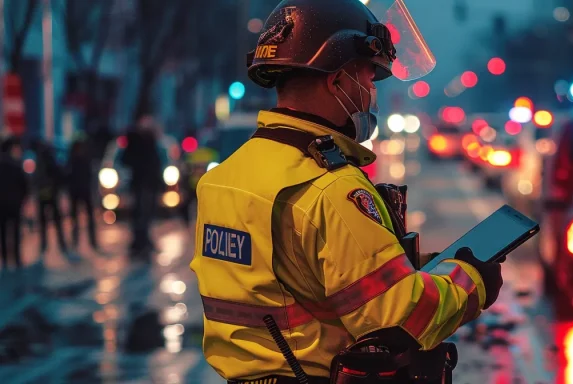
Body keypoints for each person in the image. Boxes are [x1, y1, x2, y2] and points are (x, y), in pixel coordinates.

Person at [189, 1, 504, 383]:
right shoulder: (330, 188)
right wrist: (470, 279)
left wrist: (406, 266)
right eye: (370, 78)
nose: (372, 92)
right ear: (337, 79)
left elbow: (297, 281)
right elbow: (403, 316)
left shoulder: (226, 177)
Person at [121, 117, 163, 255]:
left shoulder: (145, 142)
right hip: (143, 184)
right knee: (141, 214)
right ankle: (140, 242)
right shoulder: (141, 142)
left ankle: (141, 242)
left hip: (145, 184)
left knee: (144, 214)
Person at [34, 142, 69, 256]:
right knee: (56, 221)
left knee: (44, 222)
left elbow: (35, 180)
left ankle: (44, 245)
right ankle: (61, 244)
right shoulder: (51, 162)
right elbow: (60, 176)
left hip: (43, 195)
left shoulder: (39, 162)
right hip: (51, 194)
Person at [0, 138, 28, 270]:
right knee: (15, 232)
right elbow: (24, 186)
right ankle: (16, 260)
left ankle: (5, 260)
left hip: (3, 205)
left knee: (3, 232)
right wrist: (21, 200)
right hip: (14, 204)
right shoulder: (15, 164)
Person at [67, 136, 99, 250]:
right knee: (77, 218)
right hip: (79, 191)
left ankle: (90, 241)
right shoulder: (77, 160)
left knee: (85, 217)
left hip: (82, 191)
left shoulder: (82, 159)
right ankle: (80, 240)